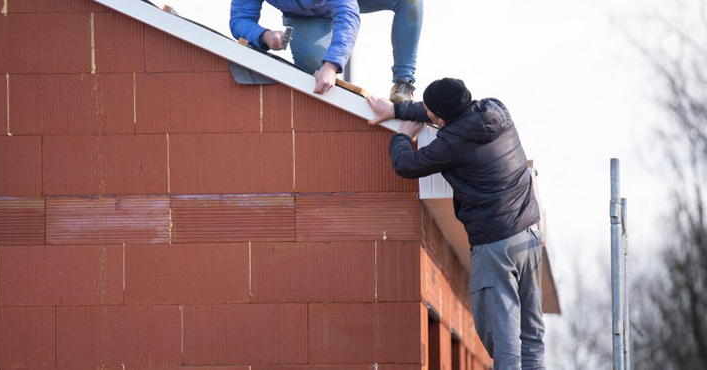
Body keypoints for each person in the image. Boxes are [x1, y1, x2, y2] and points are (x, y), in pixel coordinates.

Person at [367, 78, 545, 370]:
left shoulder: (450, 144)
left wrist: (400, 135)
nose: (426, 113)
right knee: (533, 334)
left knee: (503, 339)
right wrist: (400, 110)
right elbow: (443, 115)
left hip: (495, 244)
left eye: (429, 111)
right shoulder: (496, 109)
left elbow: (406, 166)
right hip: (528, 235)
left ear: (441, 118)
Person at [230, 0, 422, 102]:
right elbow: (240, 18)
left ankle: (403, 82)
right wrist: (264, 35)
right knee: (317, 79)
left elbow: (347, 15)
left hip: (341, 3)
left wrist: (332, 64)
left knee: (409, 1)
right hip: (304, 17)